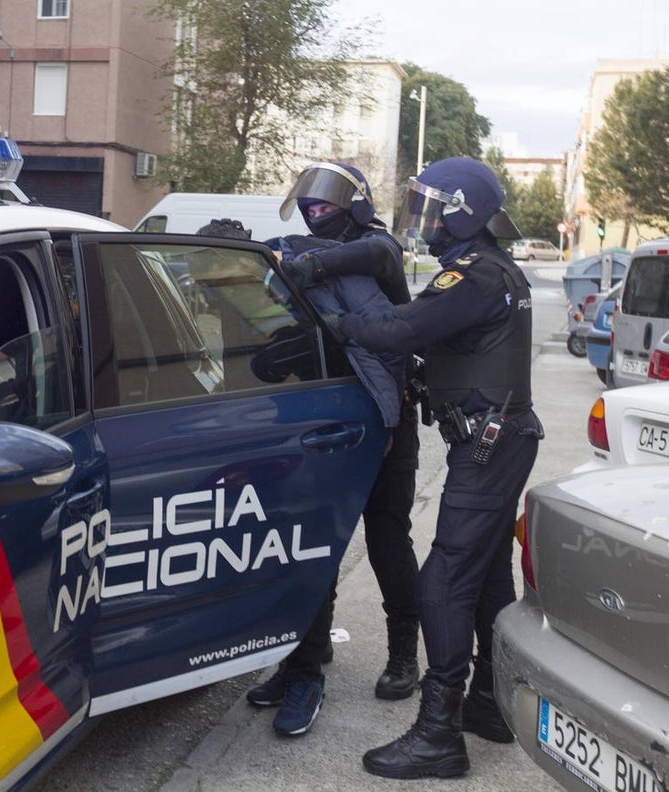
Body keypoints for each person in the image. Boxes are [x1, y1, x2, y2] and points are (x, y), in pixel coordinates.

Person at [329, 157, 543, 779]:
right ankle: (490, 704)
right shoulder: (493, 270)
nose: (423, 221)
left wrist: (338, 321)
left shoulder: (473, 277)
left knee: (446, 579)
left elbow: (401, 329)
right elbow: (461, 349)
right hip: (498, 439)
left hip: (488, 444)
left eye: (432, 207)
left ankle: (438, 734)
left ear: (463, 211)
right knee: (486, 576)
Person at [244, 162, 423, 737]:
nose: (315, 210)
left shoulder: (377, 248)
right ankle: (304, 656)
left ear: (358, 203)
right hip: (332, 420)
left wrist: (297, 260)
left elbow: (371, 262)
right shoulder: (305, 265)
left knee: (387, 538)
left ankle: (403, 655)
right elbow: (305, 329)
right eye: (308, 203)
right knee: (311, 542)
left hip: (389, 416)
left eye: (327, 202)